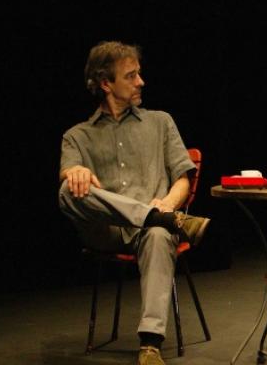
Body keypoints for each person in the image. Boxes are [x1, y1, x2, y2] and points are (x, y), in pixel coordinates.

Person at [58, 41, 210, 365]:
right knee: (67, 191)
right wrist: (76, 172)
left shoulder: (160, 122)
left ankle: (150, 345)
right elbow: (69, 178)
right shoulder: (77, 136)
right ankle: (157, 218)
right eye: (130, 76)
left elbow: (183, 178)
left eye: (139, 74)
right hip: (107, 230)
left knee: (157, 233)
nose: (141, 82)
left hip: (150, 231)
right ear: (106, 83)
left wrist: (168, 204)